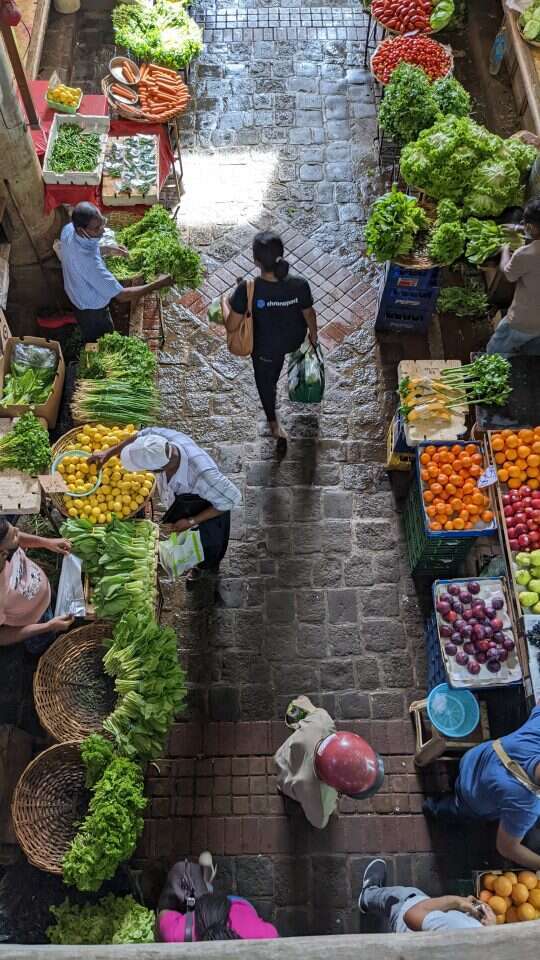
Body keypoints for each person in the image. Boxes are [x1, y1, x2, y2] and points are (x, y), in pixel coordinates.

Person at [89, 427, 241, 582]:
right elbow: (140, 434)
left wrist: (191, 521)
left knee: (209, 545)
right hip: (186, 503)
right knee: (187, 538)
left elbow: (230, 499)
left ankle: (206, 567)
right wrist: (109, 453)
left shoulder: (204, 475)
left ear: (158, 469)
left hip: (209, 507)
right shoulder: (160, 440)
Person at [226, 231, 318, 452]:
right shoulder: (300, 284)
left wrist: (224, 303)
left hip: (265, 350)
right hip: (293, 341)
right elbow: (309, 313)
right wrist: (313, 336)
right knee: (276, 366)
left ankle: (275, 426)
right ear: (281, 255)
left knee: (266, 384)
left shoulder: (246, 290)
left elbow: (231, 325)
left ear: (256, 261)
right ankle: (277, 385)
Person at [424, 704, 540, 870]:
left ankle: (445, 791)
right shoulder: (525, 807)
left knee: (461, 777)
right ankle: (433, 808)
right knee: (451, 809)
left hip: (473, 758)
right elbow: (507, 848)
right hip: (470, 797)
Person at [59, 202, 172, 343]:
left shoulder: (68, 230)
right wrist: (158, 284)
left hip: (75, 291)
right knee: (102, 340)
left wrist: (108, 249)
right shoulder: (90, 264)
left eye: (102, 222)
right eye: (97, 228)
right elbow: (122, 296)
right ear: (82, 230)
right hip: (91, 308)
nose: (102, 231)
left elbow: (82, 249)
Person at [274, 696, 384, 829]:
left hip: (283, 756)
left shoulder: (322, 721)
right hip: (286, 780)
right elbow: (319, 823)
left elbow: (301, 702)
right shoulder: (319, 799)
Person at [157, 853, 278, 942]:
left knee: (194, 888)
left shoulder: (262, 935)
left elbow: (163, 913)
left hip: (227, 906)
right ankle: (205, 885)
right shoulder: (177, 934)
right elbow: (164, 915)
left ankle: (204, 884)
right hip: (231, 905)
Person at [358, 859, 495, 932]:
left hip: (405, 910)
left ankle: (367, 895)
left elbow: (411, 915)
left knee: (397, 897)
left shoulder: (457, 928)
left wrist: (457, 901)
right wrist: (490, 929)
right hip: (423, 933)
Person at [0, 518, 74, 654]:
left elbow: (16, 536)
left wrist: (46, 542)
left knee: (55, 608)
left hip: (43, 591)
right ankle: (45, 652)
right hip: (33, 622)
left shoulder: (6, 544)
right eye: (14, 536)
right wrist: (47, 626)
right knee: (46, 644)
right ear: (3, 553)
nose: (18, 530)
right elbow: (2, 636)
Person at [486, 198, 540, 356]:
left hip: (524, 320)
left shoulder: (526, 254)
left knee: (497, 349)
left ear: (531, 226)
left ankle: (492, 361)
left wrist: (505, 250)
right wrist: (518, 229)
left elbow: (508, 274)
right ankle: (524, 359)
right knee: (531, 347)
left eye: (526, 223)